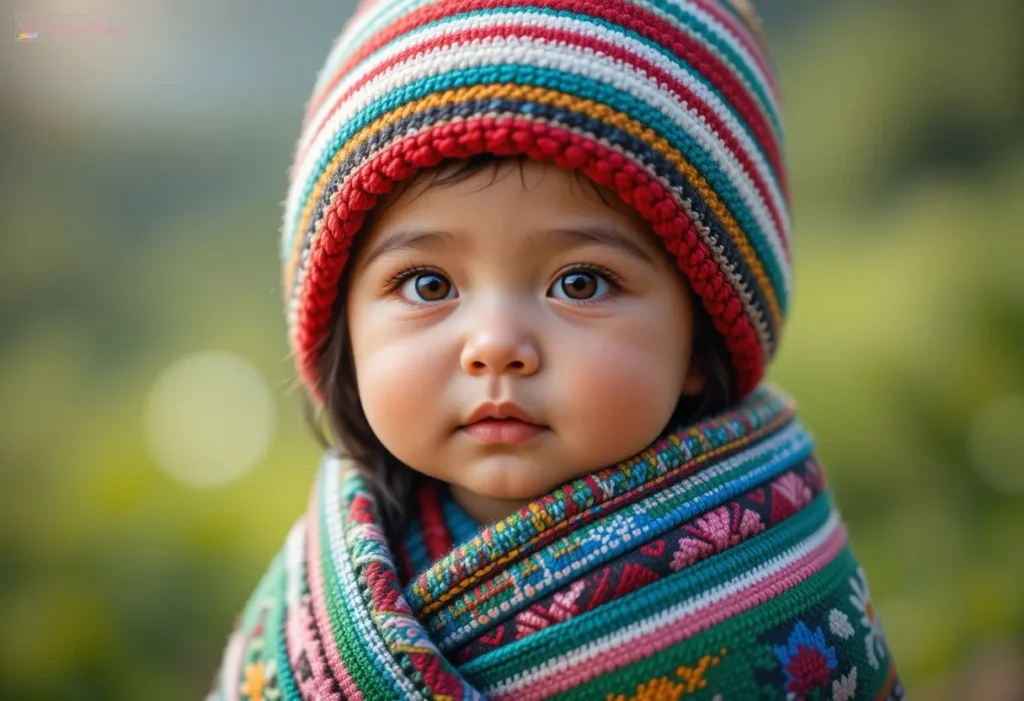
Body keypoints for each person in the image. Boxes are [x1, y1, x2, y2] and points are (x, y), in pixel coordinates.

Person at [208, 0, 904, 698]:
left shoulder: (784, 582)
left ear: (700, 338)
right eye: (427, 283)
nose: (496, 346)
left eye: (581, 281)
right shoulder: (314, 610)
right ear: (344, 329)